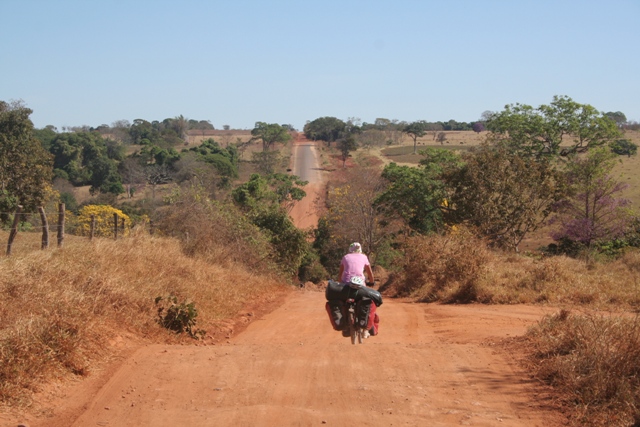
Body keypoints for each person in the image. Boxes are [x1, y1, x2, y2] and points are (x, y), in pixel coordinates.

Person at [338, 242, 379, 338]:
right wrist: (372, 282)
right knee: (365, 302)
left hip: (346, 285)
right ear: (360, 249)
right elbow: (370, 272)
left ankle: (346, 326)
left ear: (350, 249)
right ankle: (366, 330)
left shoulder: (345, 257)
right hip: (360, 285)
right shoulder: (364, 257)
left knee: (343, 302)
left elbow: (340, 274)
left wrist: (340, 284)